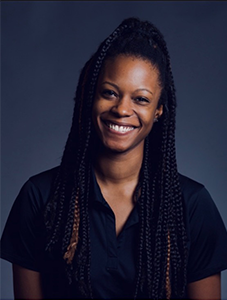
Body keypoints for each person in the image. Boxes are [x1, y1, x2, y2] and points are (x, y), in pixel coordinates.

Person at [1, 17, 227, 300]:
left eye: (141, 99)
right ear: (90, 97)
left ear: (159, 110)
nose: (122, 109)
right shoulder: (39, 197)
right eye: (109, 93)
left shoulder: (191, 206)